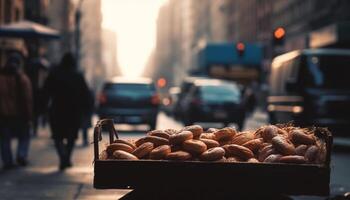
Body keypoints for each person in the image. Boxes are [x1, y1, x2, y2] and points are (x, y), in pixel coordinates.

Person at [43, 52, 90, 170]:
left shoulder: (54, 74)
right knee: (71, 136)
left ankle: (62, 156)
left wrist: (44, 107)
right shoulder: (78, 76)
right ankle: (67, 157)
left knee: (57, 136)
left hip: (57, 109)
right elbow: (85, 94)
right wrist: (86, 110)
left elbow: (46, 91)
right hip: (74, 111)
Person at [0, 53, 33, 170]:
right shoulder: (22, 78)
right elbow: (27, 98)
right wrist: (29, 115)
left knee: (4, 138)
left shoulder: (1, 78)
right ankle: (21, 155)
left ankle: (7, 161)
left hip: (3, 115)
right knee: (24, 136)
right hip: (19, 114)